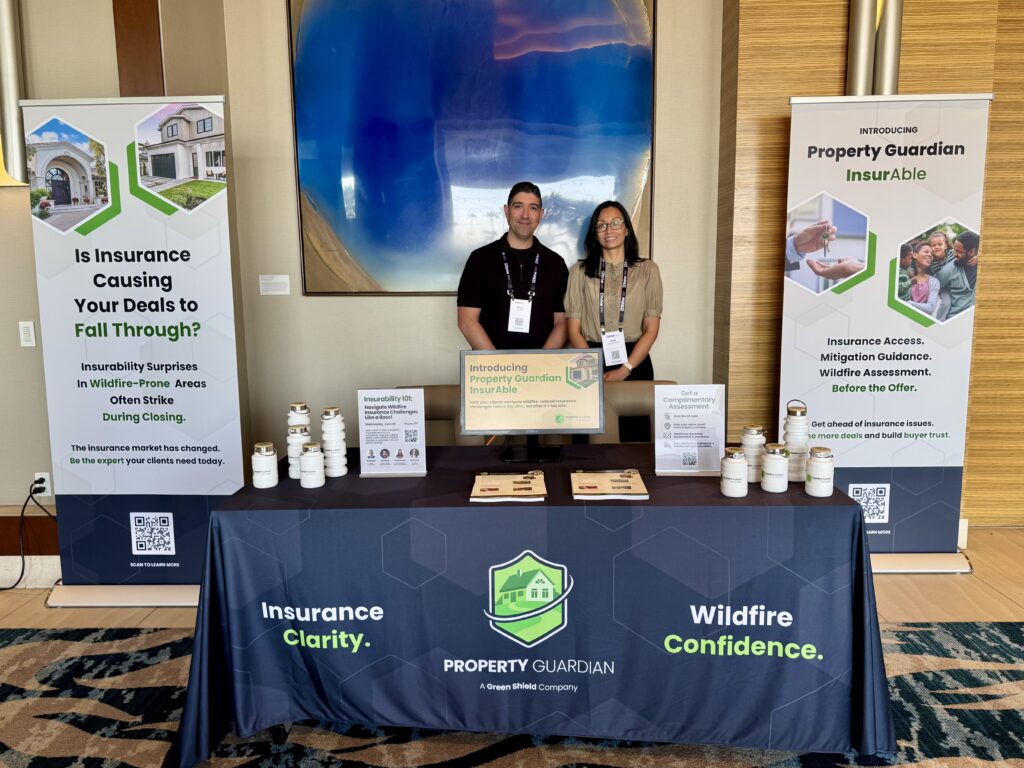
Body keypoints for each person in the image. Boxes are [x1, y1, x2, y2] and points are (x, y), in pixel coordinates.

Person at [456, 182, 569, 350]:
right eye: (518, 206)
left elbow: (562, 322)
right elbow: (467, 320)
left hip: (541, 371)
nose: (525, 215)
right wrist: (500, 366)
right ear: (506, 211)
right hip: (492, 370)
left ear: (541, 214)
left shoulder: (556, 264)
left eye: (533, 208)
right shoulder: (480, 259)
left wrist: (541, 364)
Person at [564, 201, 662, 381]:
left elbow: (651, 330)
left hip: (635, 363)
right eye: (601, 225)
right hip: (590, 360)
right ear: (595, 233)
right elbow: (573, 330)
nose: (609, 230)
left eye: (616, 223)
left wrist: (625, 369)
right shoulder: (579, 272)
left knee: (634, 409)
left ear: (627, 230)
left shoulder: (648, 270)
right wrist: (592, 367)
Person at [931, 230, 979, 319]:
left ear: (972, 252)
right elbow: (930, 286)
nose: (954, 254)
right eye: (954, 250)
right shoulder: (947, 270)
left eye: (959, 251)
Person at [908, 242, 940, 316]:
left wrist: (909, 303)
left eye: (931, 254)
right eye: (926, 252)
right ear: (915, 255)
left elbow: (930, 309)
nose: (929, 255)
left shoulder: (934, 281)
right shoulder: (905, 276)